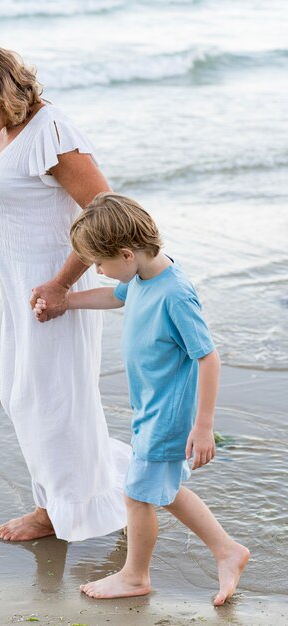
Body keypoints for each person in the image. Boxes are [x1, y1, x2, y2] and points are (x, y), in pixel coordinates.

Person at [0, 44, 130, 542]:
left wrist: (61, 284)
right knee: (23, 395)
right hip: (23, 286)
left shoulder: (51, 130)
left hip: (55, 292)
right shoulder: (6, 128)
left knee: (47, 399)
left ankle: (55, 512)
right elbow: (19, 201)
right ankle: (92, 486)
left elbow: (105, 212)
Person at [34, 193, 250, 605]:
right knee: (161, 491)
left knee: (136, 493)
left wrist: (203, 427)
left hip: (168, 413)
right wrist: (69, 302)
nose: (96, 271)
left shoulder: (175, 294)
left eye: (100, 263)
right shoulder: (142, 278)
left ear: (127, 253)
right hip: (150, 408)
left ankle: (135, 576)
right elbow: (118, 295)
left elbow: (208, 358)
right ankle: (228, 551)